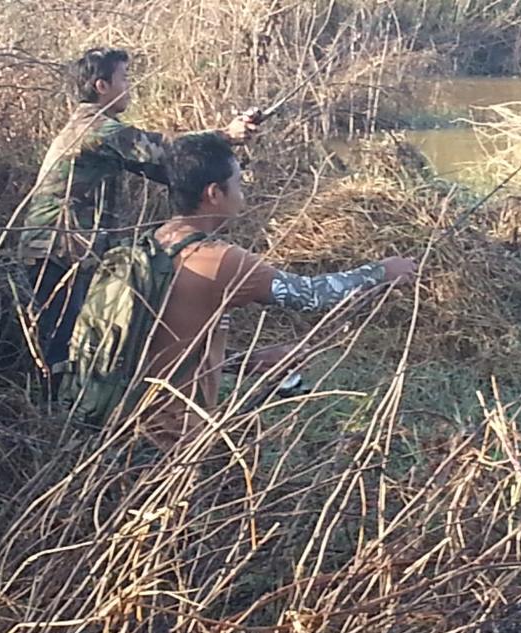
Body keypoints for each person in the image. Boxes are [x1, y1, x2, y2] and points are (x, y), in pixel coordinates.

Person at [141, 131, 416, 444]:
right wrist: (381, 272)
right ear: (214, 193)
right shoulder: (221, 261)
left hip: (130, 421)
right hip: (176, 438)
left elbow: (171, 347)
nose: (242, 196)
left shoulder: (155, 242)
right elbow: (311, 295)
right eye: (238, 184)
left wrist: (247, 361)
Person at [19, 47, 257, 377]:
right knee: (63, 342)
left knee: (76, 337)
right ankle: (59, 416)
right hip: (57, 249)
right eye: (124, 78)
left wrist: (219, 163)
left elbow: (166, 168)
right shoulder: (96, 129)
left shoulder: (98, 132)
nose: (129, 86)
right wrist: (225, 136)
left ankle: (73, 408)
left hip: (65, 248)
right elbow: (162, 149)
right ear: (102, 86)